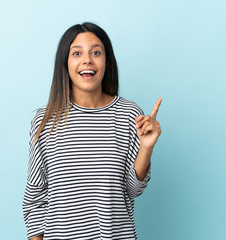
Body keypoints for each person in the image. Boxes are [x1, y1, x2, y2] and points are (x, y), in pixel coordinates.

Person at [22, 22, 162, 240]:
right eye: (77, 53)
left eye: (96, 52)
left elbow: (133, 190)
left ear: (107, 62)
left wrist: (146, 148)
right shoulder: (45, 120)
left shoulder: (129, 115)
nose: (87, 59)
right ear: (65, 63)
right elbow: (35, 200)